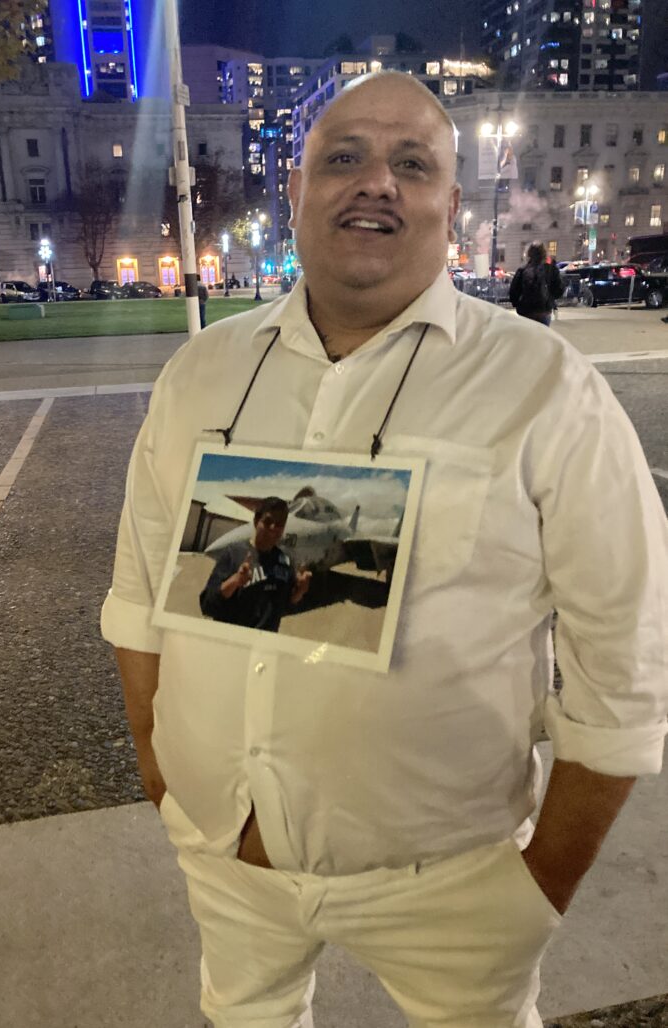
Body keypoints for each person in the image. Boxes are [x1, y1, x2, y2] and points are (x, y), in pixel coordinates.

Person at [101, 72, 667, 1028]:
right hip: (226, 851)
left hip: (445, 882)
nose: (376, 182)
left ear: (451, 201)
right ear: (296, 189)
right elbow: (138, 594)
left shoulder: (543, 387)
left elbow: (628, 660)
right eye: (344, 157)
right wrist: (164, 775)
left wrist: (537, 887)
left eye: (411, 163)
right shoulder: (201, 374)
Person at [199, 496, 312, 631]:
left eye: (279, 524)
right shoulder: (233, 554)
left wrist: (300, 591)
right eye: (268, 521)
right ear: (256, 521)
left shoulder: (285, 561)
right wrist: (235, 581)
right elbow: (207, 605)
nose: (273, 528)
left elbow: (287, 604)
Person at [509, 242, 565, 326]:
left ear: (528, 254)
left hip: (526, 311)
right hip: (544, 310)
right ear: (544, 253)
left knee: (528, 333)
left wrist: (517, 304)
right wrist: (550, 299)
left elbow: (513, 291)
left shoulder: (522, 270)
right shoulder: (551, 269)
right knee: (542, 333)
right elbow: (559, 289)